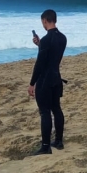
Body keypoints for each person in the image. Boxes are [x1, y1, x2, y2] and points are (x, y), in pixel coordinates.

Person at [29, 9, 68, 155]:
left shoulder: (46, 40)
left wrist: (32, 83)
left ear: (45, 20)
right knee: (56, 109)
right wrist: (40, 45)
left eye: (43, 22)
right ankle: (58, 140)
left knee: (45, 112)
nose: (43, 25)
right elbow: (52, 56)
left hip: (45, 80)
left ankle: (45, 146)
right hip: (56, 78)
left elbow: (40, 64)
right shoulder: (63, 38)